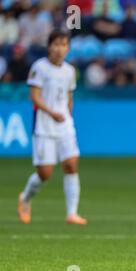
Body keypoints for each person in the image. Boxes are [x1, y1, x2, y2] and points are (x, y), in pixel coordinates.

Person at [17, 30, 87, 225]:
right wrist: (51, 113)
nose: (59, 49)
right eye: (56, 44)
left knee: (71, 164)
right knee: (44, 173)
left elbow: (69, 98)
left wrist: (67, 117)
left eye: (63, 45)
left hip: (64, 125)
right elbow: (35, 97)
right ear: (49, 46)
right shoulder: (39, 68)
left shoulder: (69, 71)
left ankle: (72, 213)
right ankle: (25, 198)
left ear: (68, 48)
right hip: (44, 126)